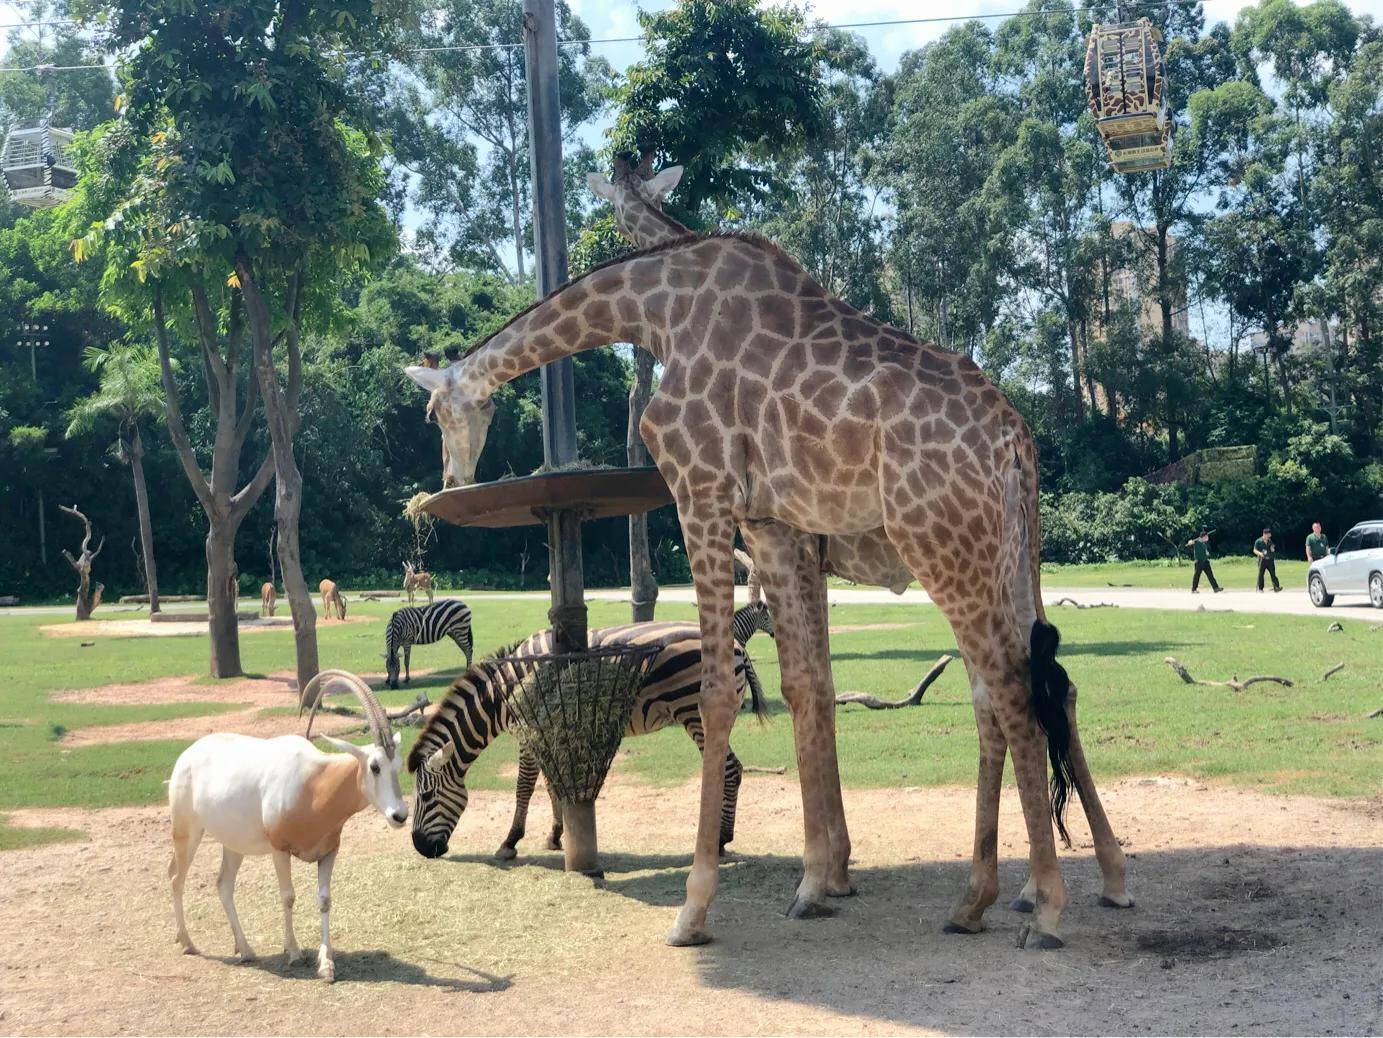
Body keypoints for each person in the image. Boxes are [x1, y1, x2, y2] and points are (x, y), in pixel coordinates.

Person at [1185, 529, 1222, 593]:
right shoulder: (1197, 542)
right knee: (1197, 576)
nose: (1207, 538)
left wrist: (1207, 554)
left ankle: (1215, 588)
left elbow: (1205, 552)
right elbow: (1191, 542)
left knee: (1210, 575)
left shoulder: (1204, 544)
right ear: (1203, 537)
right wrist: (1190, 541)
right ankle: (1194, 589)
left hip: (1205, 562)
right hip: (1199, 562)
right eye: (1206, 536)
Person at [1253, 527, 1282, 592]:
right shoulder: (1258, 541)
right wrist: (1260, 553)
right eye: (1268, 535)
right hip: (1262, 560)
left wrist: (1272, 549)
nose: (1270, 536)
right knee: (1261, 574)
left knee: (1273, 574)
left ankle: (1276, 587)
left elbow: (1272, 549)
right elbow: (1254, 550)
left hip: (1270, 560)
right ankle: (1260, 588)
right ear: (1264, 534)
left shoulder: (1270, 541)